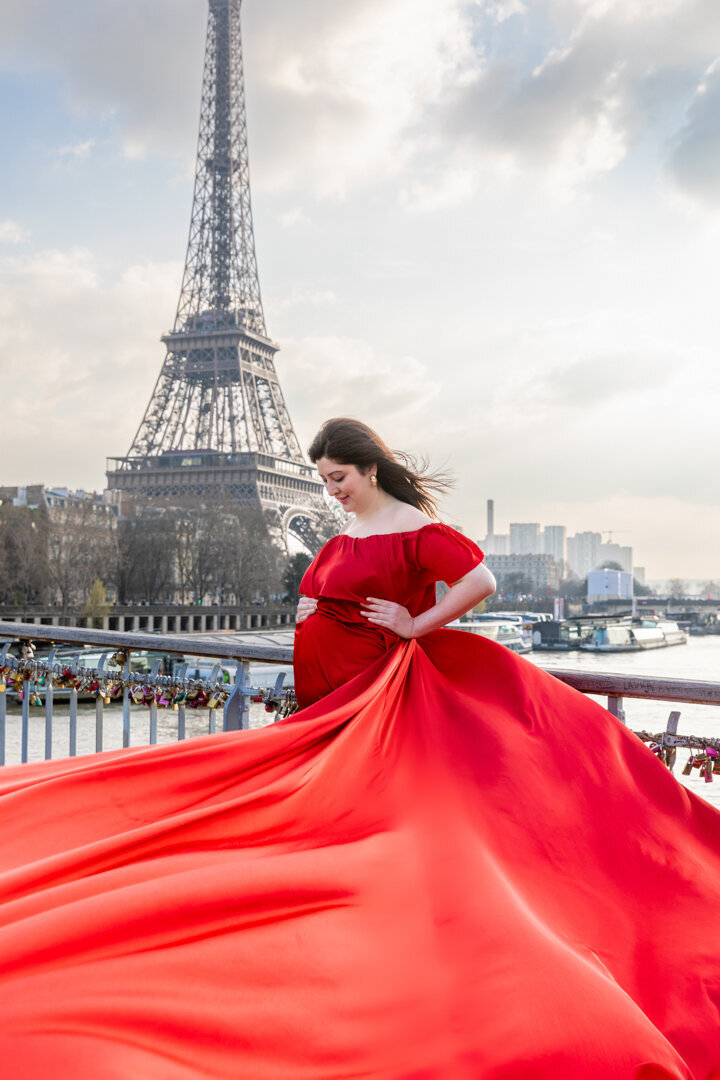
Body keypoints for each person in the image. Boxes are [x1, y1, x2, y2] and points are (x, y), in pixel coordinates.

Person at [0, 419, 719, 1080]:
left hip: (372, 685)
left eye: (338, 479)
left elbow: (481, 580)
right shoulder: (348, 531)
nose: (331, 492)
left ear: (370, 469)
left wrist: (418, 622)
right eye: (321, 482)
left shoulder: (412, 527)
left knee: (372, 808)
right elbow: (332, 589)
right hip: (328, 688)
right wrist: (311, 605)